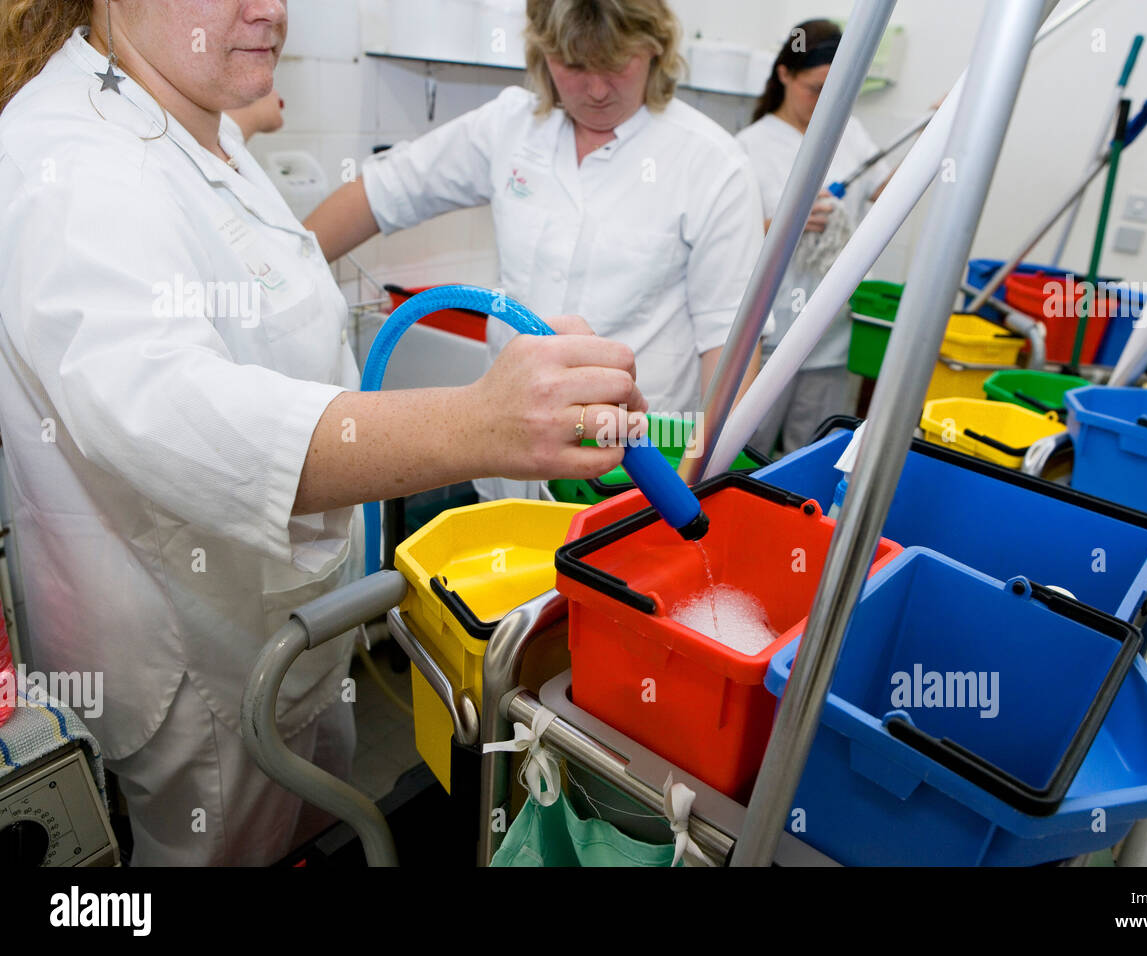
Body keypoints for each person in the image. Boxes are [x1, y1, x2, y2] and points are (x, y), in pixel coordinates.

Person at [0, 0, 644, 865]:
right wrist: (476, 421)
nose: (272, 8)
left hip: (283, 634)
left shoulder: (195, 123)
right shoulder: (67, 155)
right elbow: (165, 409)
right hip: (197, 671)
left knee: (316, 834)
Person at [305, 0, 769, 500]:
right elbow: (379, 194)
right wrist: (276, 276)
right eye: (573, 64)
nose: (595, 89)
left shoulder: (713, 164)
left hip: (628, 483)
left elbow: (731, 353)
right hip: (507, 475)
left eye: (615, 63)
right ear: (543, 53)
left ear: (656, 48)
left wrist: (686, 494)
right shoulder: (511, 126)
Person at [736, 19, 893, 458]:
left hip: (832, 332)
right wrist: (788, 223)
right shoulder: (748, 146)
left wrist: (936, 133)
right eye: (815, 88)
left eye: (836, 89)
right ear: (784, 74)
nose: (826, 102)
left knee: (810, 454)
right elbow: (729, 240)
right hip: (768, 333)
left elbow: (888, 193)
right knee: (749, 449)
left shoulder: (851, 131)